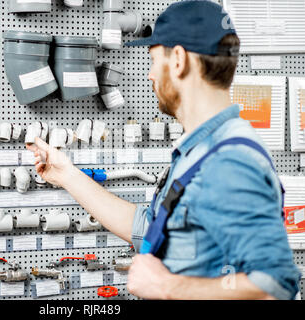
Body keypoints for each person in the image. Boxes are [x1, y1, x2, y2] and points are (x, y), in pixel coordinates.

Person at [26, 0, 301, 300]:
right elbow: (151, 228)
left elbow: (274, 283)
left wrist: (168, 287)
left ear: (179, 60)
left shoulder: (231, 160)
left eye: (154, 61)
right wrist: (66, 175)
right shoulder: (199, 151)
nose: (150, 75)